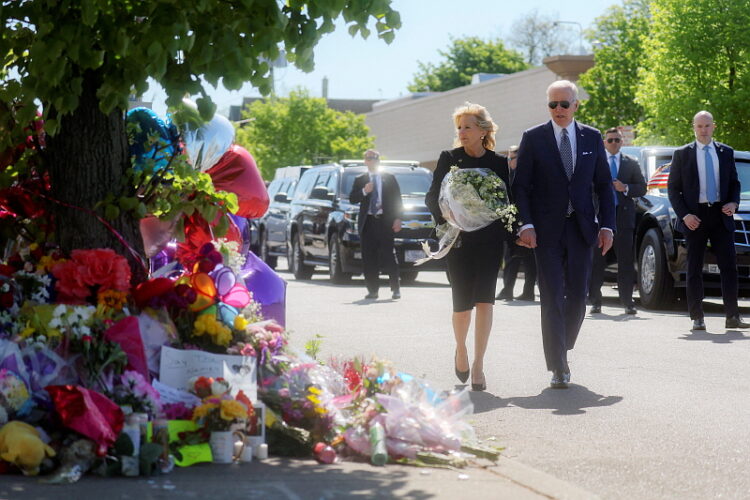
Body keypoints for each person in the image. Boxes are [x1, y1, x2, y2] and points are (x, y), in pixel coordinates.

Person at [513, 80, 615, 389]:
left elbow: (603, 186)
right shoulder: (533, 138)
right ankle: (558, 364)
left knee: (579, 296)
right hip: (546, 231)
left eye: (564, 104)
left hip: (582, 229)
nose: (558, 109)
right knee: (552, 295)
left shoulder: (592, 137)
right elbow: (521, 186)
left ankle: (563, 344)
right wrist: (525, 224)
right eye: (553, 104)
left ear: (575, 105)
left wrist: (607, 225)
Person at [425, 102, 511, 392]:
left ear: (483, 131)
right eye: (459, 127)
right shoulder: (449, 158)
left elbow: (506, 202)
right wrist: (449, 218)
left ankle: (478, 364)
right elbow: (433, 197)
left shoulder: (499, 163)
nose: (462, 132)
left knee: (486, 301)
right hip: (459, 240)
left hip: (489, 240)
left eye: (467, 127)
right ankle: (460, 349)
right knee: (462, 305)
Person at [667, 111, 748, 330]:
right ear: (694, 127)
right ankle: (697, 317)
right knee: (694, 268)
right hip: (695, 217)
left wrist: (733, 203)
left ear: (714, 127)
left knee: (729, 267)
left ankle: (732, 316)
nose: (703, 130)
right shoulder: (682, 154)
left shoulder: (725, 152)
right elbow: (673, 189)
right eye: (699, 126)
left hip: (721, 215)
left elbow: (735, 183)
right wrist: (685, 215)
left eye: (707, 126)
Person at [588, 127, 647, 315]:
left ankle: (627, 301)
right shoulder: (596, 162)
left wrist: (626, 187)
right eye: (610, 140)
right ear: (604, 142)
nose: (614, 143)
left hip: (623, 218)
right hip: (600, 218)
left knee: (625, 262)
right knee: (597, 261)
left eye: (617, 140)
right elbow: (586, 186)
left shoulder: (631, 162)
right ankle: (595, 301)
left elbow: (642, 188)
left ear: (622, 142)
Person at [349, 149, 403, 300]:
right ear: (365, 161)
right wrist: (364, 191)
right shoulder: (360, 179)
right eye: (368, 158)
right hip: (368, 223)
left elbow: (397, 200)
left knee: (389, 256)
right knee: (369, 258)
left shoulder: (389, 178)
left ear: (378, 161)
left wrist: (398, 218)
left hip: (385, 222)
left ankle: (395, 288)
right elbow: (352, 198)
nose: (371, 160)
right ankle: (373, 290)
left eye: (373, 158)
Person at [497, 145, 537, 302]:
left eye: (511, 158)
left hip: (526, 223)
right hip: (513, 224)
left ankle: (527, 292)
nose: (509, 161)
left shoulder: (526, 176)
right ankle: (508, 290)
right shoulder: (508, 176)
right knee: (512, 259)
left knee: (528, 261)